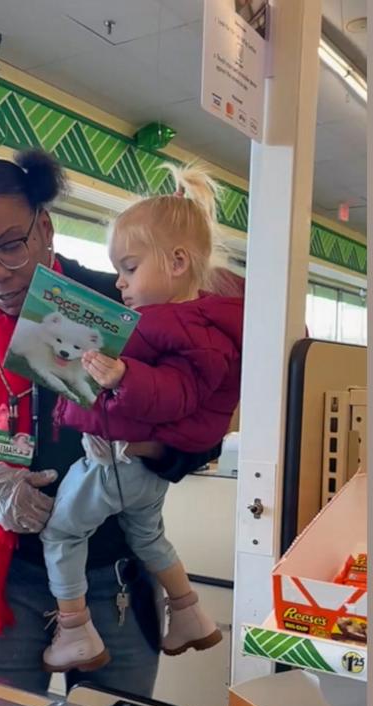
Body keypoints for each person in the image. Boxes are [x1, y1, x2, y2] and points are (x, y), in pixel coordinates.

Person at [0, 148, 222, 697]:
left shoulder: (124, 304)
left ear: (45, 227)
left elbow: (203, 436)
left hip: (115, 576)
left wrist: (146, 450)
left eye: (11, 246)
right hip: (1, 580)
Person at [40, 162, 240, 673]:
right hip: (142, 472)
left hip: (115, 465)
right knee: (148, 536)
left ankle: (74, 631)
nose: (118, 281)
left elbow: (178, 393)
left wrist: (122, 375)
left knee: (62, 535)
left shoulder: (171, 325)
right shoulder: (192, 322)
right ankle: (190, 613)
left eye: (129, 268)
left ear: (176, 263)